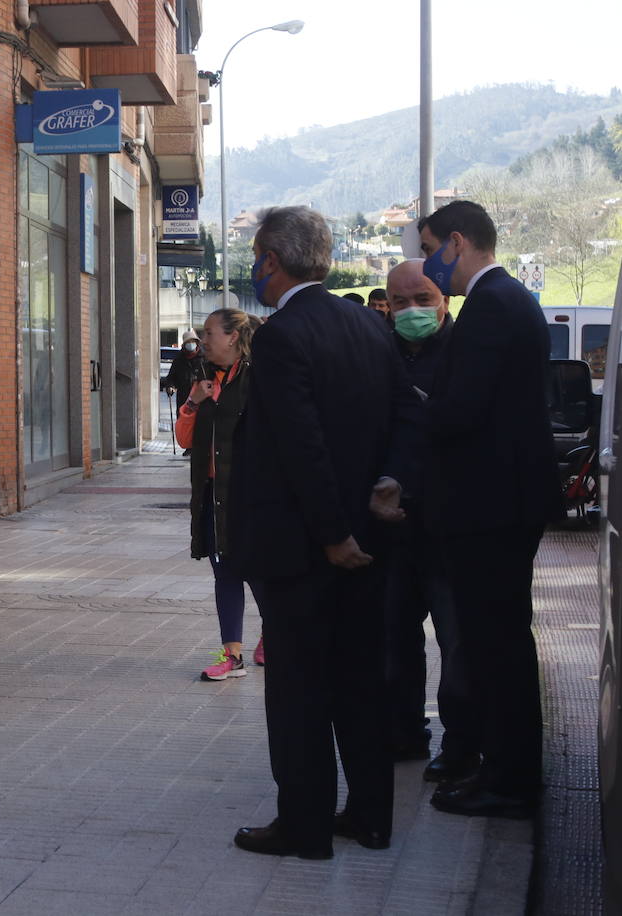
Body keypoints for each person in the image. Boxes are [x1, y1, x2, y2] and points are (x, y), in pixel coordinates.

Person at [228, 206, 419, 859]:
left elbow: (301, 447)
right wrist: (391, 481)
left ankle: (305, 826)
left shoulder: (282, 337)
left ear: (272, 261)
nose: (255, 269)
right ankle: (369, 816)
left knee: (300, 692)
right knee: (361, 684)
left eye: (256, 257)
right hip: (368, 541)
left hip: (306, 550)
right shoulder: (369, 326)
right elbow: (406, 415)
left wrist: (333, 533)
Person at [417, 200, 563, 818]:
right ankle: (502, 770)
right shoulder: (509, 302)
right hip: (504, 501)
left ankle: (509, 781)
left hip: (490, 506)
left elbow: (462, 411)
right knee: (496, 641)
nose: (425, 264)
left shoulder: (491, 308)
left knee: (495, 645)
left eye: (428, 248)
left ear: (457, 242)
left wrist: (415, 406)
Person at [380, 260, 477, 782]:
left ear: (444, 300)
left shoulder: (465, 353)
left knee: (457, 642)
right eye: (400, 302)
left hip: (447, 527)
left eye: (423, 298)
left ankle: (460, 746)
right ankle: (403, 733)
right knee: (394, 639)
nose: (412, 310)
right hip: (394, 529)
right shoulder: (381, 353)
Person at [175, 308, 262, 680]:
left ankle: (276, 636)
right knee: (224, 574)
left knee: (260, 574)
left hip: (248, 497)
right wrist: (194, 402)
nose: (203, 339)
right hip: (213, 496)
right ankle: (233, 656)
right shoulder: (206, 378)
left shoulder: (257, 379)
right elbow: (184, 439)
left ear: (232, 337)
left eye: (209, 333)